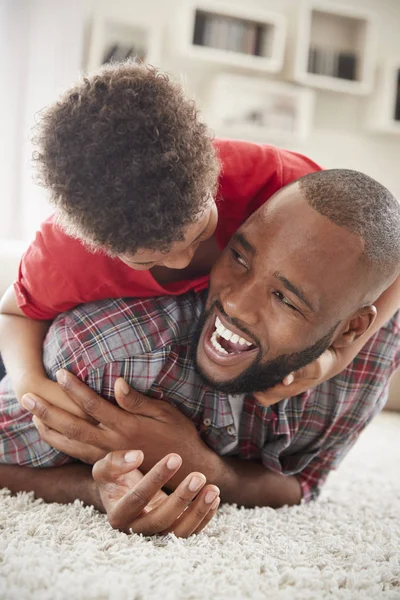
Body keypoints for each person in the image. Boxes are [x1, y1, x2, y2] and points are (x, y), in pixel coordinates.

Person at [0, 169, 399, 533]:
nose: (237, 305)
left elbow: (306, 483)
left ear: (352, 329)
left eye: (284, 298)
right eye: (240, 258)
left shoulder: (375, 355)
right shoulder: (112, 356)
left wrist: (204, 467)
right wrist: (90, 489)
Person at [0, 60, 323, 417]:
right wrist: (28, 381)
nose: (182, 261)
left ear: (210, 173)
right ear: (101, 246)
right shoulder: (66, 256)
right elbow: (13, 313)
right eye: (146, 259)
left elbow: (388, 247)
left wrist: (332, 360)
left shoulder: (274, 183)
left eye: (200, 230)